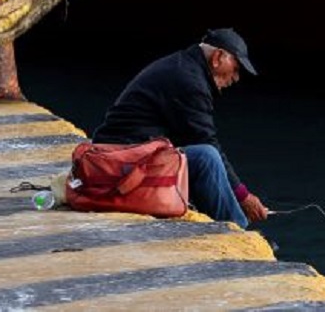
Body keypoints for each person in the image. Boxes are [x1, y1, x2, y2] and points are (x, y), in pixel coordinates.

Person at [93, 28, 269, 228]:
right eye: (236, 69)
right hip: (121, 163)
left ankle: (230, 224)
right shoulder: (190, 82)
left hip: (127, 155)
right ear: (218, 57)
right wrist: (243, 196)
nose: (236, 78)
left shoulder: (184, 66)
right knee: (206, 157)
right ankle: (239, 230)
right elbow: (205, 141)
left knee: (199, 156)